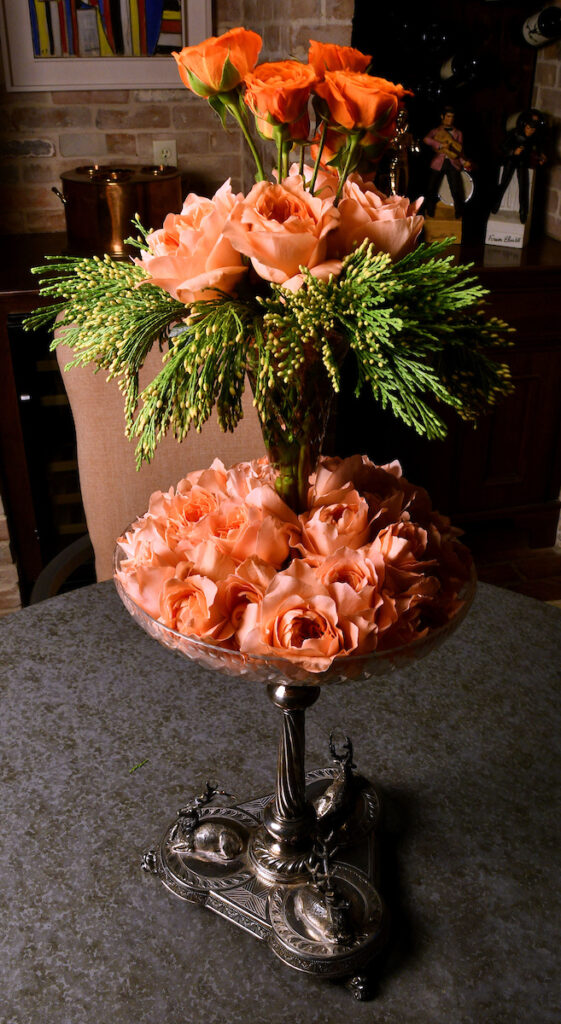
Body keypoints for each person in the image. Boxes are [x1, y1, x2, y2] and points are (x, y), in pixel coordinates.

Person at [491, 109, 547, 223]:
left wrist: (541, 157)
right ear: (524, 125)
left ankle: (523, 212)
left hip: (523, 163)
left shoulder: (534, 138)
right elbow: (502, 147)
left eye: (533, 129)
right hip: (511, 161)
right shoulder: (514, 133)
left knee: (524, 187)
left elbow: (537, 150)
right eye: (528, 128)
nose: (530, 131)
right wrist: (513, 152)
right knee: (503, 184)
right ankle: (495, 205)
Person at [423, 106, 472, 219]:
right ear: (442, 117)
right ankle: (430, 211)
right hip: (438, 162)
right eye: (448, 116)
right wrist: (439, 145)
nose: (450, 119)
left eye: (452, 117)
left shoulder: (458, 133)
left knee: (456, 189)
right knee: (431, 188)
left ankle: (459, 213)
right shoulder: (436, 131)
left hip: (452, 163)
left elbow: (459, 150)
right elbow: (426, 139)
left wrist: (463, 161)